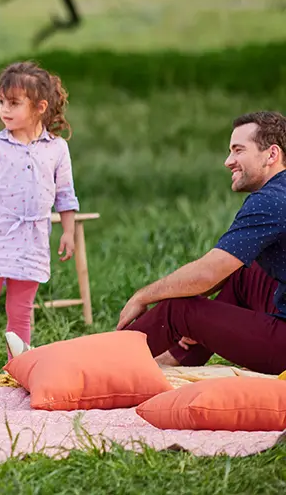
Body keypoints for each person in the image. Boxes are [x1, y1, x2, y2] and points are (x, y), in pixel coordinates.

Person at [119, 111, 286, 375]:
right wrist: (208, 319)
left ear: (271, 154)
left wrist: (143, 296)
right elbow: (221, 270)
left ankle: (100, 361)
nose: (228, 161)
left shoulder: (270, 200)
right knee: (241, 271)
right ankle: (177, 355)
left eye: (238, 150)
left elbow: (207, 274)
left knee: (179, 309)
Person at [0, 61, 79, 371]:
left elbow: (65, 194)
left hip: (32, 241)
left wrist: (68, 231)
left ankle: (18, 366)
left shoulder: (57, 149)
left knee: (21, 310)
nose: (3, 110)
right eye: (0, 102)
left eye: (13, 103)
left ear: (40, 107)